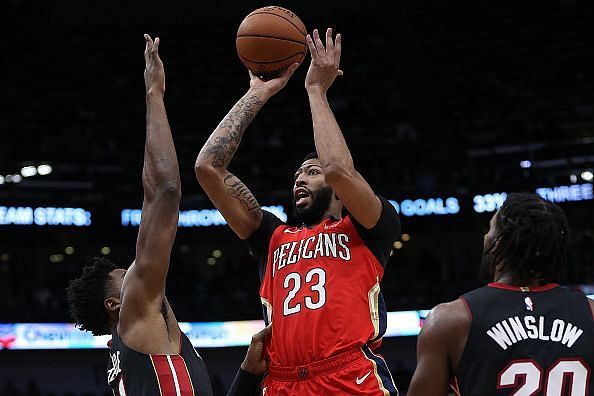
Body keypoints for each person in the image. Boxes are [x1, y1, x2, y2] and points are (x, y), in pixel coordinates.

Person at [196, 28, 400, 395]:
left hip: (350, 376)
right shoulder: (272, 237)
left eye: (311, 171)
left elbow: (339, 169)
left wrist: (316, 90)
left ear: (338, 191)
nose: (299, 180)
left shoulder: (371, 227)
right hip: (283, 382)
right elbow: (208, 168)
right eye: (296, 175)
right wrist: (257, 92)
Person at [66, 35, 266, 396]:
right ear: (115, 304)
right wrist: (154, 94)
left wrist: (248, 373)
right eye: (129, 275)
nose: (142, 270)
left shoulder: (139, 355)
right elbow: (164, 191)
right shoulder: (136, 318)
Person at [408, 193, 594, 395]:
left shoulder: (449, 320)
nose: (485, 236)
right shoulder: (591, 314)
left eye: (490, 229)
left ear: (497, 244)